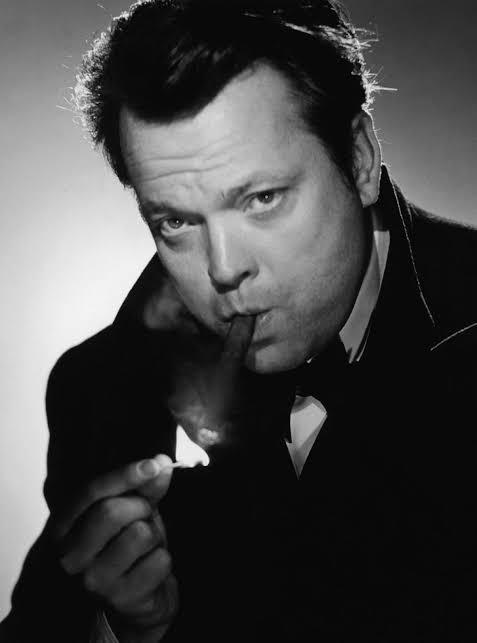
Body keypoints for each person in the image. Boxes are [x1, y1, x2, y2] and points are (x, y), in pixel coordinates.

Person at [2, 0, 477, 641]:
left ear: (360, 159)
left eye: (262, 198)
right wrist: (126, 628)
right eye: (176, 221)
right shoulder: (105, 387)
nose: (224, 269)